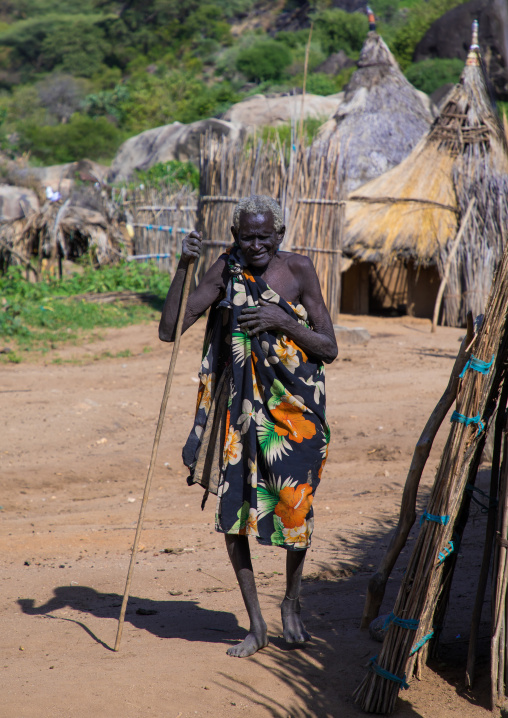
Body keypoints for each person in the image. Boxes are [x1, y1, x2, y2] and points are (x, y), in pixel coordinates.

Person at [159, 195, 338, 657]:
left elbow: (329, 347)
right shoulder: (224, 270)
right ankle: (256, 625)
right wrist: (184, 265)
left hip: (294, 412)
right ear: (235, 236)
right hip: (238, 412)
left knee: (295, 511)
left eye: (264, 236)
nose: (255, 244)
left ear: (279, 235)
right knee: (235, 516)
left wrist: (284, 321)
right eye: (246, 236)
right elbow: (169, 328)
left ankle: (292, 603)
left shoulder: (298, 270)